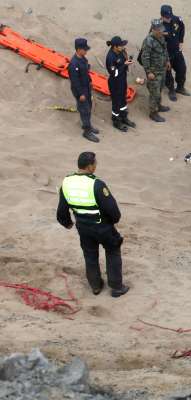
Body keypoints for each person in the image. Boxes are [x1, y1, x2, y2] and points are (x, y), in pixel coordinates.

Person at [56, 152, 129, 297]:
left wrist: (67, 223)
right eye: (95, 164)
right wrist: (113, 221)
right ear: (90, 167)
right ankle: (116, 287)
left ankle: (95, 285)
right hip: (102, 227)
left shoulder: (67, 183)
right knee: (113, 249)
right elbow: (113, 210)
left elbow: (62, 209)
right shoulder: (97, 184)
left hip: (83, 227)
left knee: (90, 254)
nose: (96, 166)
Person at [68, 38, 99, 142]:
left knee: (89, 106)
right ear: (78, 49)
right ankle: (86, 131)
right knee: (84, 110)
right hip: (80, 90)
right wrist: (80, 94)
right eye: (84, 49)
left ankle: (88, 126)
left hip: (86, 87)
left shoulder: (83, 59)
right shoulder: (73, 64)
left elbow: (86, 72)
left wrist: (90, 81)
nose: (86, 51)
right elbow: (75, 81)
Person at [140, 19, 170, 122]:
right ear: (153, 29)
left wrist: (167, 61)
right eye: (159, 30)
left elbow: (164, 50)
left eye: (161, 29)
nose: (161, 31)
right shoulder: (148, 41)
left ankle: (158, 105)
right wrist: (149, 72)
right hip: (154, 72)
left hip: (162, 69)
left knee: (160, 88)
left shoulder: (161, 37)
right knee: (154, 92)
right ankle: (153, 112)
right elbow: (145, 57)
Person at [105, 36, 136, 132]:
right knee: (116, 102)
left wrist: (127, 61)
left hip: (122, 80)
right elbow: (114, 73)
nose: (123, 46)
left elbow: (123, 63)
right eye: (121, 45)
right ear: (115, 47)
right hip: (115, 82)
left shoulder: (121, 52)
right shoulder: (110, 57)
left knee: (123, 99)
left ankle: (123, 117)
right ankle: (116, 120)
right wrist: (125, 65)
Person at [160, 5, 189, 101]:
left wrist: (181, 41)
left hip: (177, 51)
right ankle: (171, 90)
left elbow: (182, 28)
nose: (169, 19)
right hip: (165, 55)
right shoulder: (157, 26)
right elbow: (153, 41)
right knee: (168, 73)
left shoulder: (177, 19)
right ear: (162, 16)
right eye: (167, 17)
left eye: (170, 16)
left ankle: (180, 87)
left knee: (182, 68)